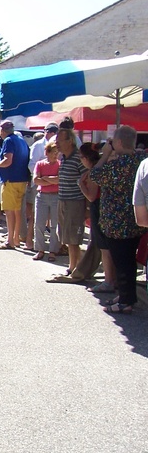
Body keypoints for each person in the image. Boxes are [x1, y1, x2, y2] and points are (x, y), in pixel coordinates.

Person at [89, 125, 147, 314]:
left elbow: (94, 175)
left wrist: (105, 155)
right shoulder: (140, 160)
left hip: (117, 223)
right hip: (137, 220)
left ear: (119, 142)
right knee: (129, 262)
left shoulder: (115, 166)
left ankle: (126, 301)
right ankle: (125, 295)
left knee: (123, 264)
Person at [78, 142, 116, 292]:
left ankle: (108, 281)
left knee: (104, 247)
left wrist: (81, 184)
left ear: (87, 158)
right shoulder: (106, 167)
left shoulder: (94, 171)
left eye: (81, 157)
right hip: (106, 207)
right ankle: (113, 279)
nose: (81, 160)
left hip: (99, 208)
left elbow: (92, 196)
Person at [0, 121, 30, 250]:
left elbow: (8, 161)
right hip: (21, 179)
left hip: (10, 180)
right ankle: (16, 238)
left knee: (9, 211)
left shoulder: (8, 141)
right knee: (17, 211)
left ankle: (10, 241)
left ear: (3, 130)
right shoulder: (21, 140)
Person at [55, 127, 87, 273]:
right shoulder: (63, 158)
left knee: (73, 237)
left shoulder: (78, 158)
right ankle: (73, 265)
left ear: (70, 141)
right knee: (65, 236)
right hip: (63, 200)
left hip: (75, 202)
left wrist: (86, 206)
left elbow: (87, 180)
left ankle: (75, 267)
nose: (56, 144)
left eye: (59, 140)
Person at [31, 139, 61, 261]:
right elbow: (36, 180)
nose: (55, 154)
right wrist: (51, 180)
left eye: (57, 152)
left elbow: (59, 180)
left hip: (56, 196)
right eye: (53, 152)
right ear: (47, 152)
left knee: (55, 224)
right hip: (42, 196)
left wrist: (46, 178)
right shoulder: (40, 164)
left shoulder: (60, 164)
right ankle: (40, 249)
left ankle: (53, 250)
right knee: (39, 223)